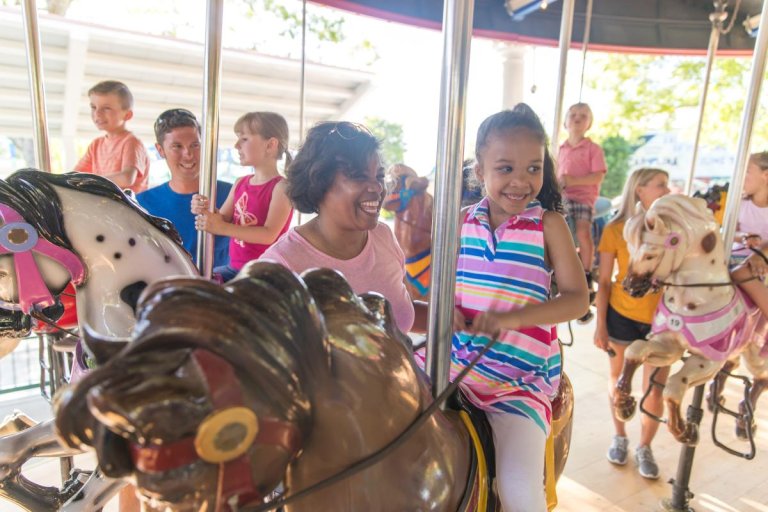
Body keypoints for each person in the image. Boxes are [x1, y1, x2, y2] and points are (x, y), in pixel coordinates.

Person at [450, 105, 589, 511]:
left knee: (518, 492)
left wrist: (512, 319)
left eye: (533, 169)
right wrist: (448, 310)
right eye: (506, 168)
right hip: (456, 361)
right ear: (480, 170)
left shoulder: (548, 225)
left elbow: (577, 299)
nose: (521, 181)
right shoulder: (461, 222)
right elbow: (443, 285)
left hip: (517, 379)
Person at [260, 121, 417, 334]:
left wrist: (462, 319)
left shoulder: (383, 236)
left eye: (379, 176)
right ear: (319, 182)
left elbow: (398, 315)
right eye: (359, 176)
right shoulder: (282, 266)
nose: (377, 187)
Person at [593, 168, 671, 480]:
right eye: (660, 185)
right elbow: (604, 280)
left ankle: (645, 446)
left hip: (662, 321)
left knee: (654, 389)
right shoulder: (615, 230)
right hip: (621, 315)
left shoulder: (672, 232)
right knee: (618, 381)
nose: (667, 189)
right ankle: (620, 435)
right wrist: (600, 324)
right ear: (639, 190)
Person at [192, 112, 293, 282]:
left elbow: (268, 234)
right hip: (235, 267)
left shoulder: (281, 188)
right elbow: (222, 218)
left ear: (270, 145)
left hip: (265, 273)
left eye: (244, 139)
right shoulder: (240, 183)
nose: (236, 145)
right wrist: (205, 209)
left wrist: (221, 228)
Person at [136, 108, 232, 268]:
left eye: (195, 145)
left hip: (222, 289)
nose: (188, 154)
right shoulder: (142, 204)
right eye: (177, 146)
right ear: (160, 150)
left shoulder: (233, 195)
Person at [557, 102, 607, 323]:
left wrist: (572, 181)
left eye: (583, 115)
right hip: (563, 196)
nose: (577, 118)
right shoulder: (562, 148)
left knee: (583, 231)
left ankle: (586, 272)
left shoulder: (592, 149)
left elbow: (597, 176)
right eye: (573, 115)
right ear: (566, 122)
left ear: (589, 123)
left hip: (582, 197)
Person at [74, 80, 150, 194]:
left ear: (127, 115)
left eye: (106, 108)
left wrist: (91, 182)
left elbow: (127, 178)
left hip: (128, 209)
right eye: (93, 107)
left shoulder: (131, 142)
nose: (97, 113)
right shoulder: (96, 145)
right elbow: (75, 176)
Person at [732, 151, 768, 263]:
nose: (741, 177)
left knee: (739, 273)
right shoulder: (741, 203)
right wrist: (743, 236)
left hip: (762, 259)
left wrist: (761, 254)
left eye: (746, 172)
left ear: (766, 175)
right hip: (735, 256)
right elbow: (729, 232)